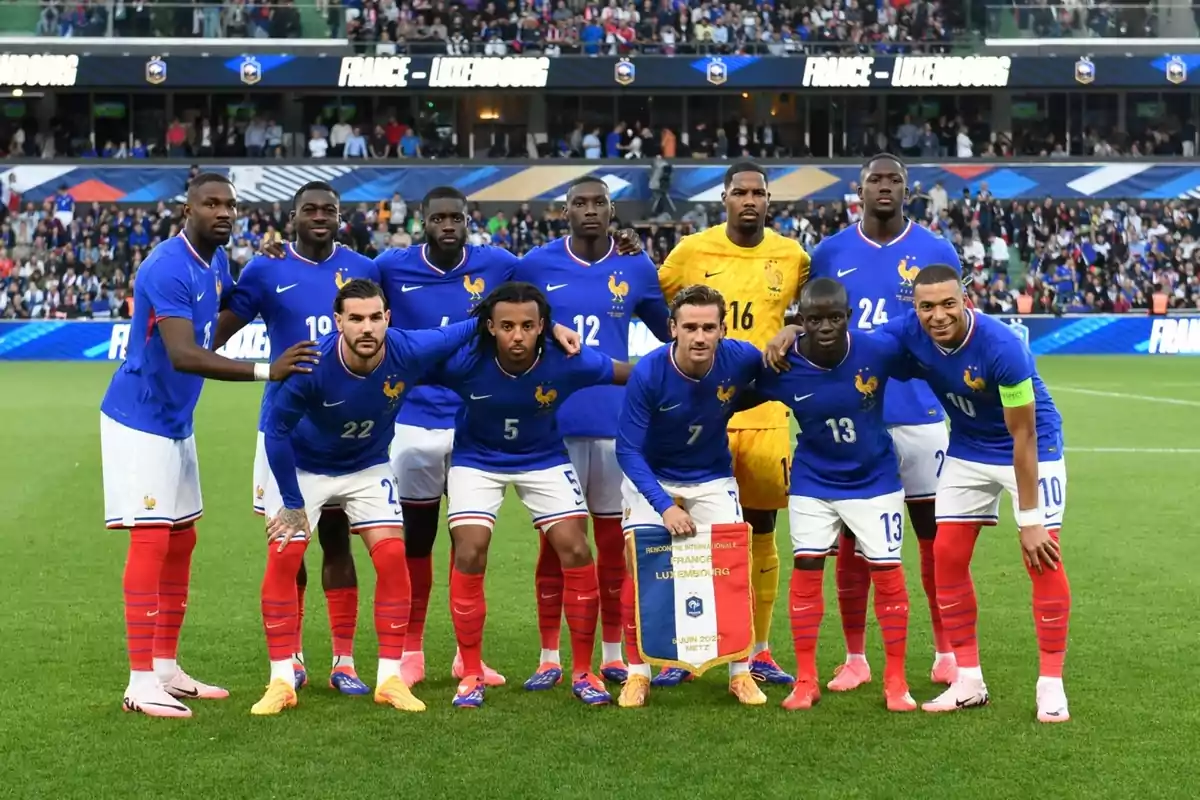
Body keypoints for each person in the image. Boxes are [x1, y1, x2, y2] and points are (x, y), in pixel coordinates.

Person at [99, 173, 318, 718]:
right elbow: (185, 354)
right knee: (150, 542)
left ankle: (166, 666)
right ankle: (139, 681)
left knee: (182, 540)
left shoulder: (216, 262)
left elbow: (209, 335)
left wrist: (270, 258)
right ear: (188, 209)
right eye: (211, 203)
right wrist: (270, 370)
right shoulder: (166, 266)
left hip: (175, 421)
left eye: (230, 205)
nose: (223, 212)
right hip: (139, 418)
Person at [253, 278, 481, 715]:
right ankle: (281, 680)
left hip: (367, 466)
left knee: (393, 557)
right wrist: (293, 502)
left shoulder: (406, 350)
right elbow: (277, 433)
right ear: (338, 321)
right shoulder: (312, 364)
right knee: (283, 557)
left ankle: (389, 678)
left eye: (375, 317)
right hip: (303, 468)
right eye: (355, 318)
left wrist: (512, 315)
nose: (367, 328)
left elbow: (463, 330)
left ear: (388, 319)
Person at [423, 281, 632, 709]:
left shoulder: (567, 360)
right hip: (477, 460)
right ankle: (472, 672)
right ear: (490, 327)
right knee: (470, 551)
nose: (516, 336)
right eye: (506, 326)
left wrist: (685, 372)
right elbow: (403, 364)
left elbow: (626, 373)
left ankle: (582, 671)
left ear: (543, 327)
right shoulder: (464, 361)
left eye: (527, 326)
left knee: (576, 549)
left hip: (544, 458)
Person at [888, 264, 1070, 723]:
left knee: (1043, 555)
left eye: (948, 303)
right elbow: (859, 347)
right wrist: (793, 330)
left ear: (966, 299)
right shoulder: (910, 330)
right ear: (915, 307)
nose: (938, 315)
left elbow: (1023, 435)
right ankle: (968, 680)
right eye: (926, 306)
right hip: (968, 448)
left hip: (1032, 446)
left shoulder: (1003, 347)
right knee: (946, 553)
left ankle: (1051, 685)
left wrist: (1029, 521)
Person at [808, 153, 963, 691]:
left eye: (894, 179)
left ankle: (945, 650)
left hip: (919, 415)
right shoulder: (829, 251)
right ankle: (856, 657)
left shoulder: (936, 250)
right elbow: (812, 324)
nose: (884, 187)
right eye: (875, 178)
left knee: (933, 539)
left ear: (907, 188)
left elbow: (951, 329)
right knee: (852, 544)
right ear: (859, 187)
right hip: (853, 418)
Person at [217, 181, 376, 696]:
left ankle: (344, 659)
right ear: (292, 217)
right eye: (309, 209)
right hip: (286, 432)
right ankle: (294, 657)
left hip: (348, 435)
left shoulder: (364, 269)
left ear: (340, 215)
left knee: (335, 543)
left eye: (329, 209)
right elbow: (216, 329)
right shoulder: (266, 268)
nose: (320, 216)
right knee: (290, 543)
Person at [513, 176, 672, 691]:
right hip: (551, 426)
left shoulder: (636, 265)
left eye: (598, 203)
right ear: (564, 212)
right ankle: (547, 655)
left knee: (611, 543)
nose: (588, 210)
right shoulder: (534, 265)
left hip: (615, 425)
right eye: (579, 203)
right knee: (555, 544)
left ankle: (611, 653)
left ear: (611, 210)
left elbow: (670, 328)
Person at [655, 160, 809, 687]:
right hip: (699, 411)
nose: (749, 200)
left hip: (764, 415)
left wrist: (792, 331)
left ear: (769, 200)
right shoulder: (692, 251)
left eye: (758, 193)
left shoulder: (791, 256)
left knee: (762, 529)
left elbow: (814, 310)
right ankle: (687, 649)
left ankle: (760, 649)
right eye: (739, 192)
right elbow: (656, 303)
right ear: (724, 198)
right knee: (688, 532)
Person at [755, 278, 915, 713]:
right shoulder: (781, 366)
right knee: (806, 573)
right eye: (813, 319)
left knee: (888, 576)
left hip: (875, 480)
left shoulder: (878, 351)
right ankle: (805, 681)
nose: (825, 326)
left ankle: (895, 680)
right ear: (800, 321)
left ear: (849, 317)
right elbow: (727, 393)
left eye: (834, 317)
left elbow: (928, 358)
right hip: (813, 483)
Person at [613, 284, 768, 709]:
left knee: (735, 564)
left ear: (722, 329)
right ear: (672, 329)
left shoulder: (741, 358)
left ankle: (741, 674)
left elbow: (777, 373)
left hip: (712, 475)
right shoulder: (649, 372)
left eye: (708, 327)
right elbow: (626, 449)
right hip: (655, 477)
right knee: (639, 564)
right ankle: (637, 674)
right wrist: (663, 507)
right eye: (690, 327)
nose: (699, 336)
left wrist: (788, 331)